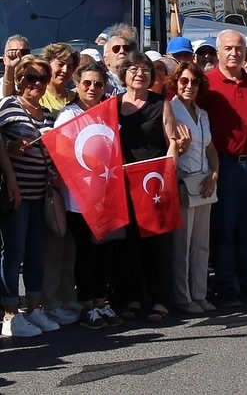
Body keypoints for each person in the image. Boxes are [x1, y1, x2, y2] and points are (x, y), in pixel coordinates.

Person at [198, 30, 247, 308]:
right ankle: (227, 287)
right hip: (225, 165)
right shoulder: (207, 84)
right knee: (225, 229)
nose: (234, 53)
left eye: (239, 48)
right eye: (228, 48)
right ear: (218, 52)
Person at [112, 51, 183, 322]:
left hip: (155, 182)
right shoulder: (114, 104)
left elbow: (173, 140)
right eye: (133, 70)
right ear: (124, 75)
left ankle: (160, 300)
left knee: (159, 244)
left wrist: (168, 171)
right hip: (126, 182)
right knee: (130, 245)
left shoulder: (160, 103)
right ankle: (131, 298)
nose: (139, 74)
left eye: (144, 70)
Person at [56, 62, 124, 329]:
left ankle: (101, 300)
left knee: (104, 251)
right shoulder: (68, 115)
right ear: (77, 84)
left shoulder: (107, 113)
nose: (93, 88)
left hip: (105, 194)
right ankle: (87, 305)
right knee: (86, 253)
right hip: (78, 197)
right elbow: (61, 154)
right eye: (87, 83)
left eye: (98, 83)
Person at [0, 55, 60, 336]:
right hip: (16, 194)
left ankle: (34, 309)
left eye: (42, 78)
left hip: (41, 193)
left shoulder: (47, 115)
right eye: (31, 78)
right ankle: (10, 313)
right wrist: (12, 145)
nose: (36, 83)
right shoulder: (8, 106)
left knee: (36, 253)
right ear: (20, 80)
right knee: (13, 253)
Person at [169, 62, 219, 314]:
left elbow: (211, 149)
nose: (189, 86)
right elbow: (171, 150)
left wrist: (214, 174)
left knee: (201, 243)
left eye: (195, 82)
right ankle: (183, 296)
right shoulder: (171, 109)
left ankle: (199, 293)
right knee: (183, 244)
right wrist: (182, 148)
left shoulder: (202, 114)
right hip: (182, 180)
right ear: (176, 83)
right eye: (184, 81)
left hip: (204, 182)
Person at [37, 42, 82, 325]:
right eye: (59, 64)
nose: (64, 70)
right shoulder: (41, 98)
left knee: (71, 243)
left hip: (76, 184)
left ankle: (68, 296)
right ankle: (50, 301)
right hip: (50, 182)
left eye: (69, 65)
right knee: (54, 242)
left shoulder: (75, 98)